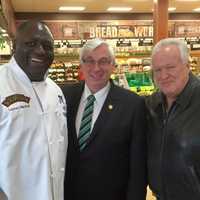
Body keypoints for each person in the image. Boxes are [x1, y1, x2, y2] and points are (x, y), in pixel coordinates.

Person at [62, 38, 147, 200]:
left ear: (113, 65)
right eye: (89, 61)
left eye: (104, 61)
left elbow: (138, 167)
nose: (96, 68)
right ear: (81, 64)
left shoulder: (133, 105)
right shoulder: (63, 96)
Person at [0, 20, 68, 200]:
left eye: (47, 46)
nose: (40, 51)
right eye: (31, 43)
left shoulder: (56, 91)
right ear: (14, 46)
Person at [146, 38, 200, 200]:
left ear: (187, 66)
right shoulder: (151, 104)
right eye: (157, 70)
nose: (164, 75)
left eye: (170, 67)